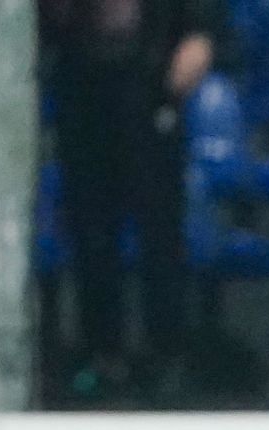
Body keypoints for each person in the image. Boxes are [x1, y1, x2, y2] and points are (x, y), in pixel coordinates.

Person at [41, 0, 220, 401]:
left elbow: (203, 25)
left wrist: (200, 34)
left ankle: (167, 354)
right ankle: (101, 355)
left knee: (160, 230)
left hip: (150, 82)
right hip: (81, 84)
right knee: (91, 232)